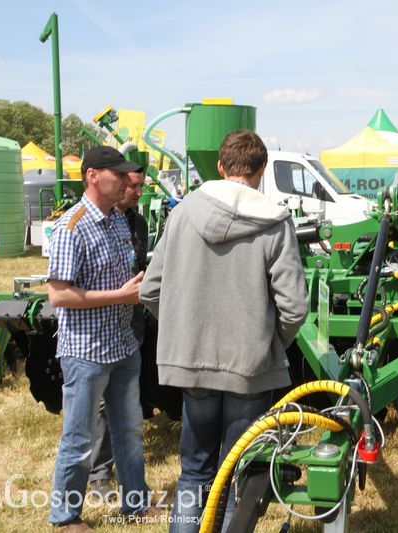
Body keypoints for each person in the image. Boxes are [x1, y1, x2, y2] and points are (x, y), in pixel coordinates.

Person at [139, 130, 309, 532]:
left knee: (194, 472)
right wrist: (268, 344)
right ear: (262, 169)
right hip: (249, 369)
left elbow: (150, 290)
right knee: (236, 477)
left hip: (190, 361)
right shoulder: (274, 222)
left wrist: (184, 329)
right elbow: (295, 307)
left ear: (219, 166)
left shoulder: (181, 213)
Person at [47, 147, 151, 532]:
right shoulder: (71, 227)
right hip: (87, 352)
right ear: (92, 175)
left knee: (130, 431)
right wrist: (122, 296)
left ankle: (136, 505)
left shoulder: (119, 222)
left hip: (123, 345)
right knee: (79, 438)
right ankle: (65, 517)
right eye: (118, 174)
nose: (126, 181)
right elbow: (58, 296)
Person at [87, 170, 148, 501]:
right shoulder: (97, 222)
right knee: (100, 406)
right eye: (131, 185)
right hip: (101, 327)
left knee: (126, 404)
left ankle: (129, 485)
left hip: (131, 326)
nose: (137, 191)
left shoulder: (138, 224)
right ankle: (98, 475)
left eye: (141, 186)